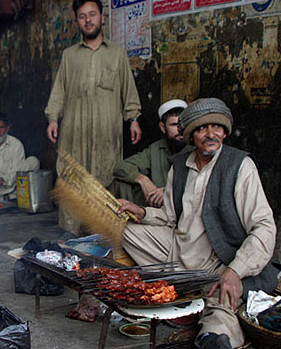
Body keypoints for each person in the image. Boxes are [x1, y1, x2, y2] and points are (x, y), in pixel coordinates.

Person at [118, 98, 278, 349]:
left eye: (217, 127)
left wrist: (235, 272)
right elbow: (170, 217)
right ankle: (183, 293)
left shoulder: (239, 166)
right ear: (190, 136)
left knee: (221, 311)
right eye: (203, 128)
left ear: (225, 132)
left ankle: (211, 329)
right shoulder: (180, 166)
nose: (211, 134)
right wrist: (141, 212)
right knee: (124, 229)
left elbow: (264, 228)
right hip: (178, 253)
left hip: (221, 263)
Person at [44, 0, 142, 235]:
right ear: (77, 21)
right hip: (74, 129)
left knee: (106, 176)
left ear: (102, 17)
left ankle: (101, 232)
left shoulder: (117, 54)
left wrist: (134, 119)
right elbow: (59, 91)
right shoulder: (70, 56)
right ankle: (71, 232)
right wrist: (53, 118)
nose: (88, 20)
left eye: (92, 14)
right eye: (82, 16)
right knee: (72, 177)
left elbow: (128, 89)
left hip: (107, 129)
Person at [112, 99, 189, 207]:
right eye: (174, 125)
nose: (180, 130)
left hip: (187, 208)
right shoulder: (156, 148)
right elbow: (120, 167)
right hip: (159, 210)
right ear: (163, 127)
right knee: (123, 183)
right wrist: (142, 180)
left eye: (183, 124)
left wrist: (168, 192)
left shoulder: (196, 146)